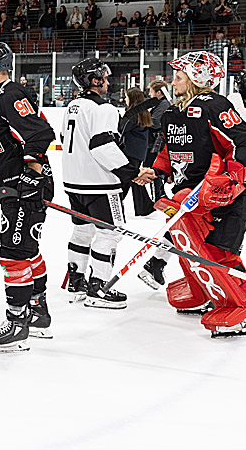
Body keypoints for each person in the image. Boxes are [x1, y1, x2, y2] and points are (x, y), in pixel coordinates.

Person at [134, 51, 246, 337]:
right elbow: (171, 150)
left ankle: (239, 310)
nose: (173, 81)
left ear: (198, 79)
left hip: (225, 198)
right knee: (188, 248)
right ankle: (203, 291)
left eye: (179, 76)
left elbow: (245, 142)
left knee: (218, 252)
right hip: (189, 195)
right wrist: (157, 171)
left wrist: (232, 178)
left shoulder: (213, 105)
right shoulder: (174, 112)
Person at [0, 42, 55, 352]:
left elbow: (40, 134)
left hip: (25, 188)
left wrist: (32, 175)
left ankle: (17, 322)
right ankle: (38, 313)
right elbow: (4, 144)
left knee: (12, 253)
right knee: (27, 250)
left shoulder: (10, 94)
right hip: (14, 186)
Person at [59, 58, 140, 309]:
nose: (107, 82)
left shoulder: (72, 106)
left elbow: (65, 139)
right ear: (95, 81)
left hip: (73, 182)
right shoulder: (103, 108)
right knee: (111, 232)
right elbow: (102, 145)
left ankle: (76, 283)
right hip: (100, 184)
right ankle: (99, 289)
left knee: (82, 230)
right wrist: (131, 172)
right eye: (104, 78)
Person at [119, 87, 156, 217]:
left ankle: (119, 201)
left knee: (127, 178)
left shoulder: (133, 114)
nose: (125, 100)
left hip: (130, 151)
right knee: (133, 178)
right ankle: (145, 207)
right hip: (138, 151)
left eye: (127, 97)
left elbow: (122, 128)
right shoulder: (142, 112)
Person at [144, 80, 171, 204]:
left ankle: (159, 194)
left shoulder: (164, 104)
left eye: (151, 91)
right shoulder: (160, 104)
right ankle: (158, 194)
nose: (150, 94)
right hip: (154, 141)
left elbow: (155, 123)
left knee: (155, 167)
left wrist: (143, 119)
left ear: (159, 93)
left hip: (157, 141)